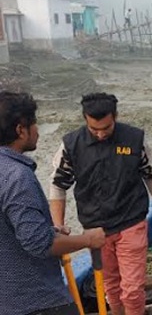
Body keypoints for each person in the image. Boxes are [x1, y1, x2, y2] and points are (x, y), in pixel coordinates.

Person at [49, 93, 152, 315]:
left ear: (115, 116)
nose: (100, 134)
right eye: (94, 129)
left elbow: (151, 176)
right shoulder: (71, 145)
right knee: (111, 287)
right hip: (95, 229)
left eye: (106, 128)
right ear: (85, 119)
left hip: (131, 222)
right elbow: (58, 185)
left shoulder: (135, 139)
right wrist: (58, 225)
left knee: (133, 290)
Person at [0, 91, 106, 315]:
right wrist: (88, 239)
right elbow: (38, 244)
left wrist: (45, 229)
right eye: (35, 123)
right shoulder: (17, 176)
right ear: (21, 130)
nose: (38, 130)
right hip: (37, 301)